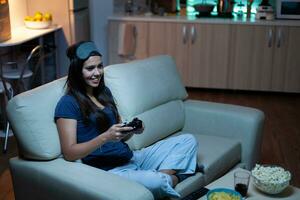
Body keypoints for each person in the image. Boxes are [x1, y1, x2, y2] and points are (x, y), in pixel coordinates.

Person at [54, 41, 199, 199]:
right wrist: (105, 137)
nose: (97, 73)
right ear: (77, 71)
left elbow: (119, 135)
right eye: (90, 68)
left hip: (131, 157)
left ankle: (159, 177)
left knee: (188, 140)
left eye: (100, 66)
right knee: (155, 181)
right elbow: (69, 152)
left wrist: (131, 130)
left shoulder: (104, 92)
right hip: (110, 170)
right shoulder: (68, 104)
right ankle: (175, 177)